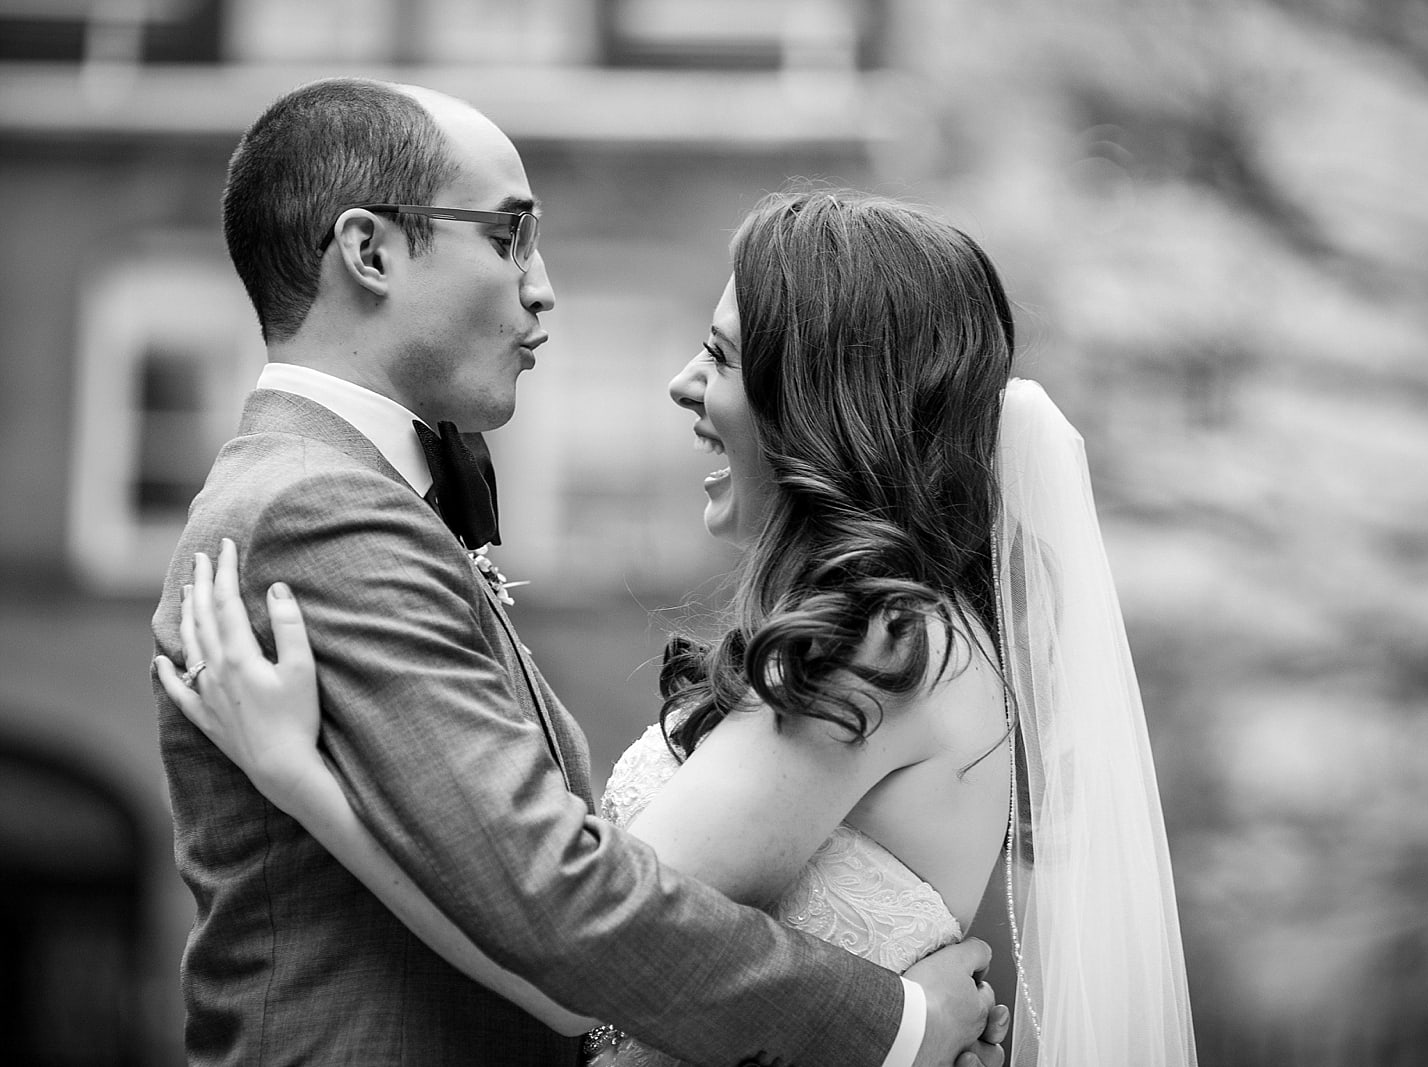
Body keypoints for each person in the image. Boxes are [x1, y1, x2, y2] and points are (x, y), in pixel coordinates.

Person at [162, 185, 1199, 1064]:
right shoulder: (912, 635)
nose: (682, 384)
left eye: (720, 355)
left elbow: (570, 958)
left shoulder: (881, 647)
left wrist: (302, 777)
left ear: (817, 398)